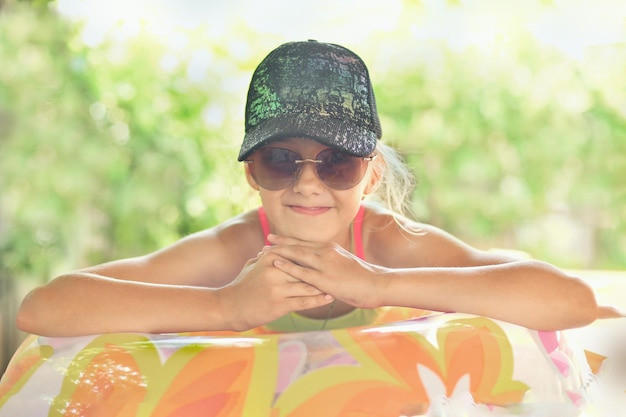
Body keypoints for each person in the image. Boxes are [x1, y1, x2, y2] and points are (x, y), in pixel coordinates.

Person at [16, 40, 606, 338]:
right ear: (251, 172)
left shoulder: (392, 245)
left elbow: (571, 301)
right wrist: (224, 305)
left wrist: (377, 284)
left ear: (370, 174)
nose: (306, 183)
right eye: (280, 160)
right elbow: (45, 308)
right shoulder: (230, 254)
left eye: (337, 164)